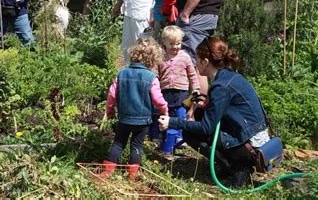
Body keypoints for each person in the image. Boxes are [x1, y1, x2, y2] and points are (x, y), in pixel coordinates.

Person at [158, 38, 270, 188]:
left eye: (197, 61)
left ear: (205, 62)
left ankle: (238, 168)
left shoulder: (221, 86)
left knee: (189, 133)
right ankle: (231, 163)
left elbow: (206, 128)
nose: (195, 65)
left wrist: (172, 122)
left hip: (252, 145)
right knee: (199, 115)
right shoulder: (229, 75)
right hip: (254, 134)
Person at [102, 38, 168, 179]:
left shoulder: (122, 74)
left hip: (124, 118)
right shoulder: (151, 77)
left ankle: (107, 171)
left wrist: (110, 111)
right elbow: (158, 99)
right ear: (153, 59)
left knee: (118, 143)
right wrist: (164, 111)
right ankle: (132, 175)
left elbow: (111, 95)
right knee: (136, 145)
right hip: (142, 121)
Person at [157, 26, 200, 144]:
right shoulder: (160, 57)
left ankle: (181, 137)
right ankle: (165, 137)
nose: (175, 47)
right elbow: (156, 75)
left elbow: (192, 75)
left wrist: (195, 88)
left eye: (178, 43)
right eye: (171, 44)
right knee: (166, 113)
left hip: (182, 92)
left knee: (181, 113)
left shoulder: (185, 57)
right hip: (165, 92)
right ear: (164, 42)